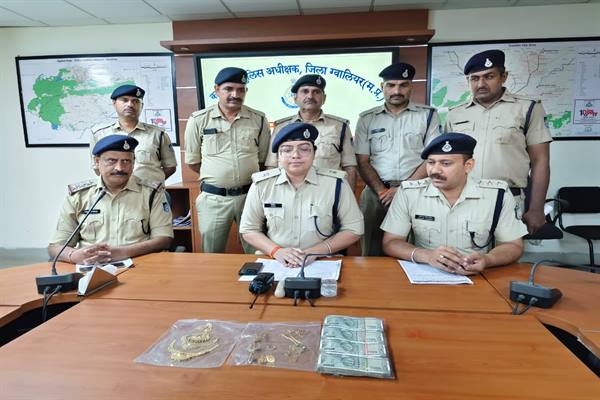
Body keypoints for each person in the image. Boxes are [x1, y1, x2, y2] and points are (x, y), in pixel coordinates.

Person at [381, 133, 528, 275]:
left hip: (478, 277)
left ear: (468, 165)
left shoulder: (497, 194)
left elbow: (513, 245)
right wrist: (427, 256)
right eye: (431, 162)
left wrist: (487, 260)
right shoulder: (409, 193)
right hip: (425, 273)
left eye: (446, 163)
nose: (435, 170)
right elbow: (391, 242)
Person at [445, 49, 552, 235]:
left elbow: (540, 161)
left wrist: (536, 209)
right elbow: (446, 160)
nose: (481, 84)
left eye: (489, 76)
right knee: (461, 250)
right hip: (462, 198)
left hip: (508, 199)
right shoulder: (455, 114)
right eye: (474, 78)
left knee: (508, 251)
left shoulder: (527, 108)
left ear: (504, 77)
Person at [240, 123, 364, 267]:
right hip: (274, 259)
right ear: (278, 156)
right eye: (287, 150)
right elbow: (249, 229)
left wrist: (314, 253)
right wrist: (276, 251)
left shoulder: (336, 184)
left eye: (304, 149)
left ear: (314, 153)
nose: (295, 155)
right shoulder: (262, 185)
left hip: (322, 260)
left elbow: (354, 229)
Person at [354, 62, 441, 256]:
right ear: (382, 87)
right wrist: (382, 191)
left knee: (415, 251)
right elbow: (362, 160)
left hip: (417, 192)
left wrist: (403, 189)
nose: (397, 91)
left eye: (403, 85)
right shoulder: (367, 119)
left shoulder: (428, 116)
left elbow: (432, 158)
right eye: (391, 85)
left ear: (411, 87)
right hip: (376, 194)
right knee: (371, 252)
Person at [49, 135, 173, 265]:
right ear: (97, 162)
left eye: (126, 161)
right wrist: (73, 255)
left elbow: (164, 240)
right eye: (112, 161)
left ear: (133, 163)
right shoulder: (79, 196)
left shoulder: (152, 193)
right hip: (90, 267)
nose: (119, 168)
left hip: (138, 263)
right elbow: (55, 247)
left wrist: (123, 252)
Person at [184, 67, 270, 253]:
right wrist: (219, 177)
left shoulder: (259, 119)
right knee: (212, 253)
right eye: (228, 89)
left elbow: (263, 160)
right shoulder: (199, 120)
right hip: (214, 199)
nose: (235, 94)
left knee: (257, 251)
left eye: (240, 90)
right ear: (217, 90)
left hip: (250, 197)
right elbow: (193, 161)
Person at [264, 74, 358, 190]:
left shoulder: (340, 127)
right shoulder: (281, 127)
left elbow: (350, 167)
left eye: (316, 92)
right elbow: (272, 167)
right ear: (295, 98)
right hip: (288, 192)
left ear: (324, 98)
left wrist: (347, 196)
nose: (310, 96)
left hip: (327, 193)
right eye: (305, 91)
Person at [90, 84, 177, 183]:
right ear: (114, 103)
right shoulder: (100, 134)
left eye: (135, 101)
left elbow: (170, 166)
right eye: (125, 100)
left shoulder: (157, 134)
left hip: (149, 192)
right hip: (115, 191)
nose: (130, 105)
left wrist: (153, 185)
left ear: (141, 106)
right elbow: (97, 167)